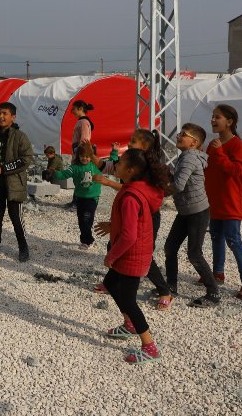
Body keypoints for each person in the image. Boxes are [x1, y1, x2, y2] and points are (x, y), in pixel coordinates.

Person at [94, 148, 167, 365]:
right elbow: (128, 224)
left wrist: (111, 257)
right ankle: (129, 324)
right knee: (110, 283)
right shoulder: (133, 188)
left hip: (130, 256)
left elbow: (128, 235)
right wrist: (111, 226)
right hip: (132, 253)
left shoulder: (130, 196)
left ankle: (149, 345)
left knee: (128, 299)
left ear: (131, 170)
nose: (115, 165)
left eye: (120, 163)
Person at [93, 130, 173, 310]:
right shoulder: (132, 162)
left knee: (144, 256)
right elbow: (108, 168)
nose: (129, 144)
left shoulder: (147, 169)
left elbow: (134, 192)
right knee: (114, 245)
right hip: (133, 213)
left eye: (133, 141)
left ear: (144, 146)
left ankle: (164, 291)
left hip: (147, 217)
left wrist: (107, 183)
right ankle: (110, 282)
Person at [162, 123, 220, 308]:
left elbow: (178, 186)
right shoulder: (184, 157)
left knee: (194, 253)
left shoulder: (188, 158)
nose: (178, 136)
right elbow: (179, 181)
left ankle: (213, 293)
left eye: (183, 134)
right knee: (170, 247)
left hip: (197, 212)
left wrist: (158, 193)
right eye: (179, 133)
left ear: (194, 142)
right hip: (186, 211)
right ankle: (171, 286)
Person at [204, 104, 242, 300]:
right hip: (214, 201)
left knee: (233, 241)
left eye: (217, 117)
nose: (213, 120)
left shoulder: (238, 146)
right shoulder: (212, 144)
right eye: (212, 116)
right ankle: (218, 273)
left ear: (230, 122)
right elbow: (208, 170)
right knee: (216, 237)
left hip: (231, 203)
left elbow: (235, 172)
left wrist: (219, 153)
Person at [0, 102, 33, 263]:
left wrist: (3, 168)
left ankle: (23, 247)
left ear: (13, 117)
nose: (1, 116)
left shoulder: (20, 137)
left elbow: (26, 159)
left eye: (5, 113)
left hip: (15, 185)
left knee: (16, 219)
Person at [53, 142, 103, 250]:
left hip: (92, 198)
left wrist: (114, 152)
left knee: (86, 218)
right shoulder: (74, 167)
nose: (85, 158)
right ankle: (86, 239)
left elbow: (108, 166)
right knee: (81, 220)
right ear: (78, 156)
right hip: (80, 198)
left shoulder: (95, 166)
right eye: (82, 156)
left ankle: (87, 241)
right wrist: (54, 172)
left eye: (87, 156)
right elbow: (63, 174)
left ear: (91, 156)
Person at [65, 100, 94, 208]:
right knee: (77, 177)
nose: (72, 111)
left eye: (74, 109)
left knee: (80, 177)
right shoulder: (82, 122)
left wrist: (79, 154)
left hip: (79, 153)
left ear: (80, 108)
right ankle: (76, 200)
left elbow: (84, 140)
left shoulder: (83, 122)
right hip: (77, 152)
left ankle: (79, 202)